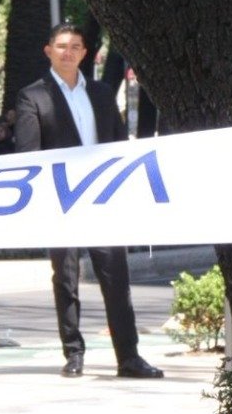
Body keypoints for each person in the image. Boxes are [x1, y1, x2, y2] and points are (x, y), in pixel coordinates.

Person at [14, 22, 164, 380]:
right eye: (61, 46)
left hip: (102, 200)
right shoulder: (32, 96)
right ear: (48, 50)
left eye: (75, 47)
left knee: (117, 280)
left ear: (84, 53)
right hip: (61, 202)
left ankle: (129, 357)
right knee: (66, 279)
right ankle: (74, 353)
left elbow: (118, 143)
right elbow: (28, 154)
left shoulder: (101, 93)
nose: (68, 52)